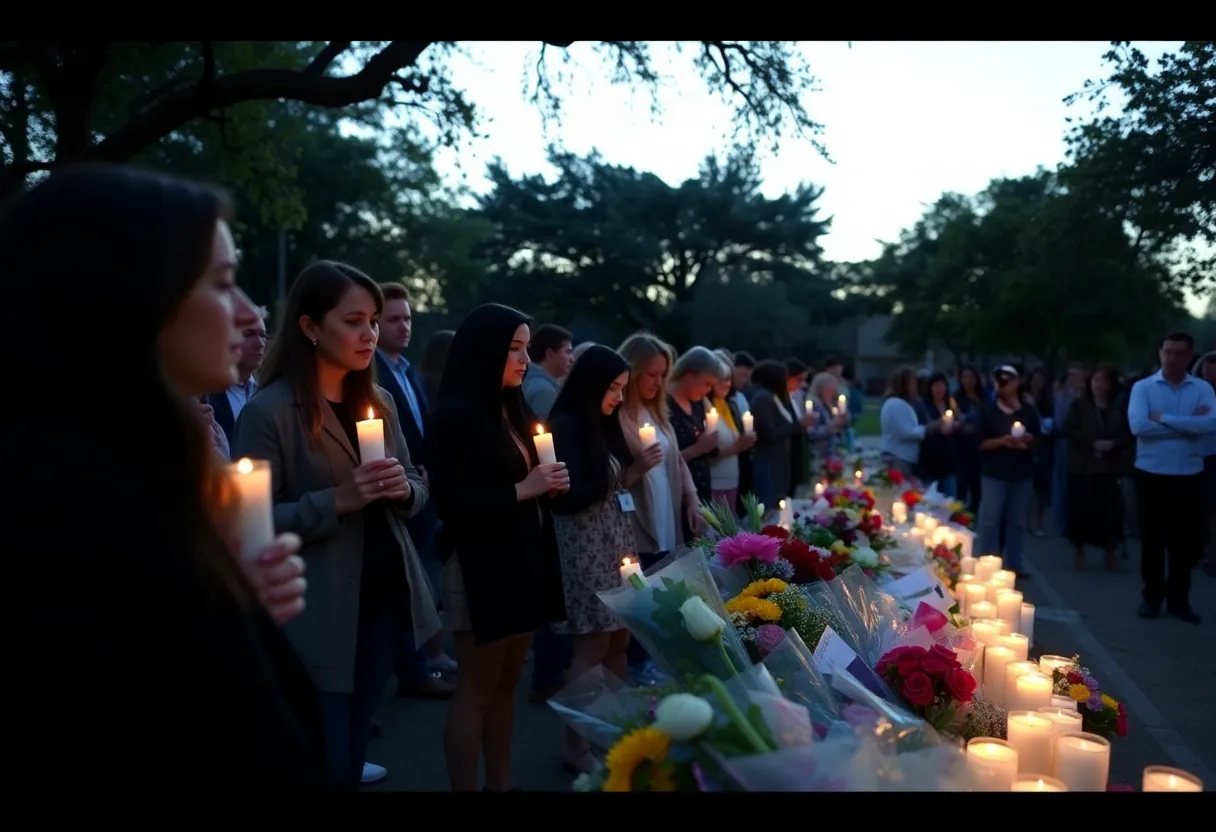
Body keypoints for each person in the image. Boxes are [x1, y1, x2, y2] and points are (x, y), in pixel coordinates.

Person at [3, 163, 325, 790]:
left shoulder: (134, 475)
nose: (244, 314)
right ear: (130, 294)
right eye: (222, 283)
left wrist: (235, 603)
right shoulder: (60, 515)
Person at [234, 261, 441, 791]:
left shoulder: (381, 402)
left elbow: (416, 485)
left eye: (373, 320)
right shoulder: (268, 412)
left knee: (352, 748)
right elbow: (249, 525)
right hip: (316, 612)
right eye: (353, 320)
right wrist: (337, 500)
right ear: (309, 326)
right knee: (321, 753)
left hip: (380, 601)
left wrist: (405, 490)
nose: (368, 332)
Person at [427, 303, 570, 792]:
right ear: (485, 350)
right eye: (514, 348)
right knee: (476, 688)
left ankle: (501, 783)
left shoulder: (512, 407)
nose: (525, 358)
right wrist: (523, 489)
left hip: (521, 557)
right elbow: (451, 499)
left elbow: (528, 478)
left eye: (527, 347)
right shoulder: (455, 415)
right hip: (478, 563)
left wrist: (549, 485)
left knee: (507, 681)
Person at [548, 344, 661, 772]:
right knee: (593, 641)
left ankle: (616, 730)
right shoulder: (567, 425)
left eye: (622, 388)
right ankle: (574, 745)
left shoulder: (602, 423)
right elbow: (569, 497)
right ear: (591, 384)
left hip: (615, 540)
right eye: (612, 388)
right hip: (584, 544)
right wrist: (605, 483)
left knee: (619, 638)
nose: (618, 397)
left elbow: (618, 480)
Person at [1126, 331, 1215, 623]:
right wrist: (1190, 425)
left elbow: (1210, 424)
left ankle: (1179, 601)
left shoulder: (1201, 388)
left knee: (1185, 543)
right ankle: (1151, 598)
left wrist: (1163, 418)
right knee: (1152, 540)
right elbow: (1139, 426)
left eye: (1179, 352)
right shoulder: (1144, 388)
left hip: (1189, 473)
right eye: (1168, 351)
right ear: (1160, 353)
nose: (1173, 358)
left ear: (1190, 355)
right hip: (1152, 472)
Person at [975, 366, 1042, 579]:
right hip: (995, 473)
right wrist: (1002, 441)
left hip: (1021, 474)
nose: (1005, 385)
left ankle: (1015, 563)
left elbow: (1040, 440)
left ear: (1017, 382)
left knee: (1017, 521)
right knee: (991, 519)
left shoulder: (1029, 411)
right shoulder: (988, 410)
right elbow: (979, 443)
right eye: (1000, 381)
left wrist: (1028, 442)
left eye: (1009, 381)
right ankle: (987, 561)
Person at [1063, 364, 1128, 571]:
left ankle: (1110, 553)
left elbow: (1127, 433)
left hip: (1108, 466)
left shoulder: (1117, 407)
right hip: (1083, 465)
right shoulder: (1079, 405)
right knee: (1081, 509)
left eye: (1104, 381)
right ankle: (1079, 551)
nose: (1100, 385)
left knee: (1109, 511)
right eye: (1096, 380)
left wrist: (1113, 444)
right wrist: (1092, 441)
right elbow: (1068, 430)